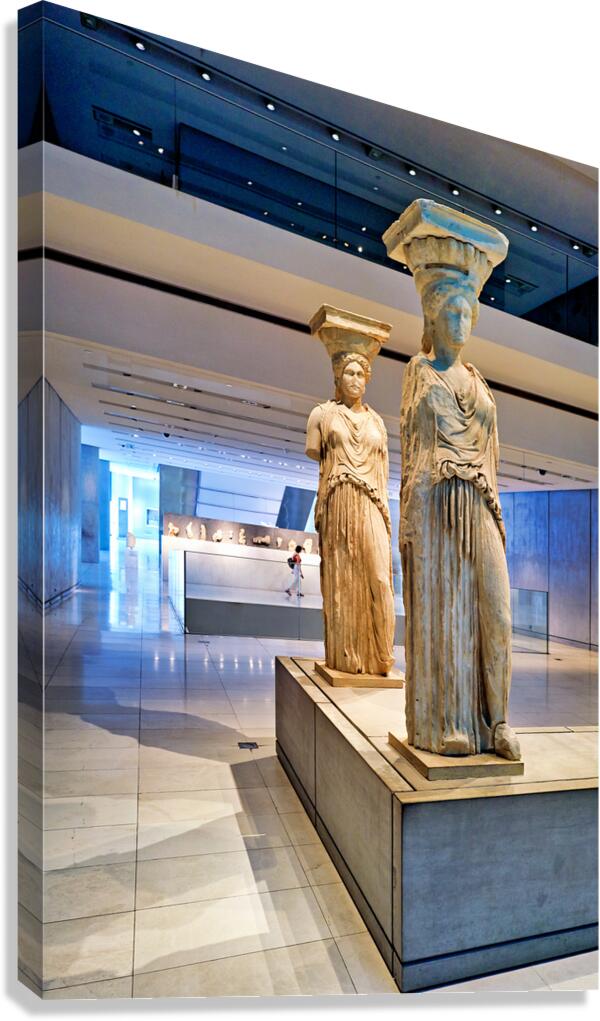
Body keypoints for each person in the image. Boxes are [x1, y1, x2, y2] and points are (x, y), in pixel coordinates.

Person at [393, 205, 521, 761]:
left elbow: (492, 454)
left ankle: (500, 721)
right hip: (441, 502)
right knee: (448, 615)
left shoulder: (478, 380)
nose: (463, 323)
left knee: (497, 615)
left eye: (469, 312)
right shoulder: (419, 374)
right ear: (433, 315)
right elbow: (415, 455)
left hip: (481, 504)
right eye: (454, 312)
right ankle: (451, 722)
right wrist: (412, 523)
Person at [306, 352, 395, 675]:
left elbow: (384, 474)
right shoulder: (321, 415)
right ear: (337, 377)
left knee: (380, 579)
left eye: (360, 373)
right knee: (343, 583)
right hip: (338, 500)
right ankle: (347, 656)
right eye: (349, 373)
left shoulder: (377, 423)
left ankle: (382, 654)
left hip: (371, 502)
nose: (355, 379)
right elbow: (317, 452)